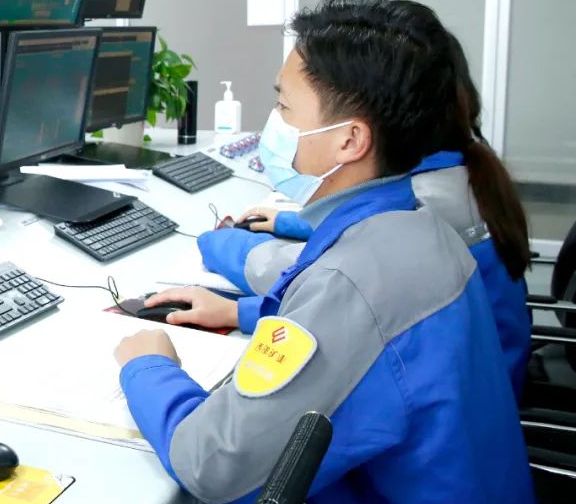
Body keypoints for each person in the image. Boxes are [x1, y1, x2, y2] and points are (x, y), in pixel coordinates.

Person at [115, 0, 540, 504]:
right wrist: (245, 313)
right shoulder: (419, 227)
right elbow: (364, 332)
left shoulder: (360, 276)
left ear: (350, 139)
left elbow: (214, 465)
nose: (274, 125)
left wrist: (148, 365)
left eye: (284, 108)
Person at [196, 32, 532, 396]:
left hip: (465, 389)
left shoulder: (419, 210)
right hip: (479, 381)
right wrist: (290, 222)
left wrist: (217, 242)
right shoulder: (458, 174)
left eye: (284, 106)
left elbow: (310, 279)